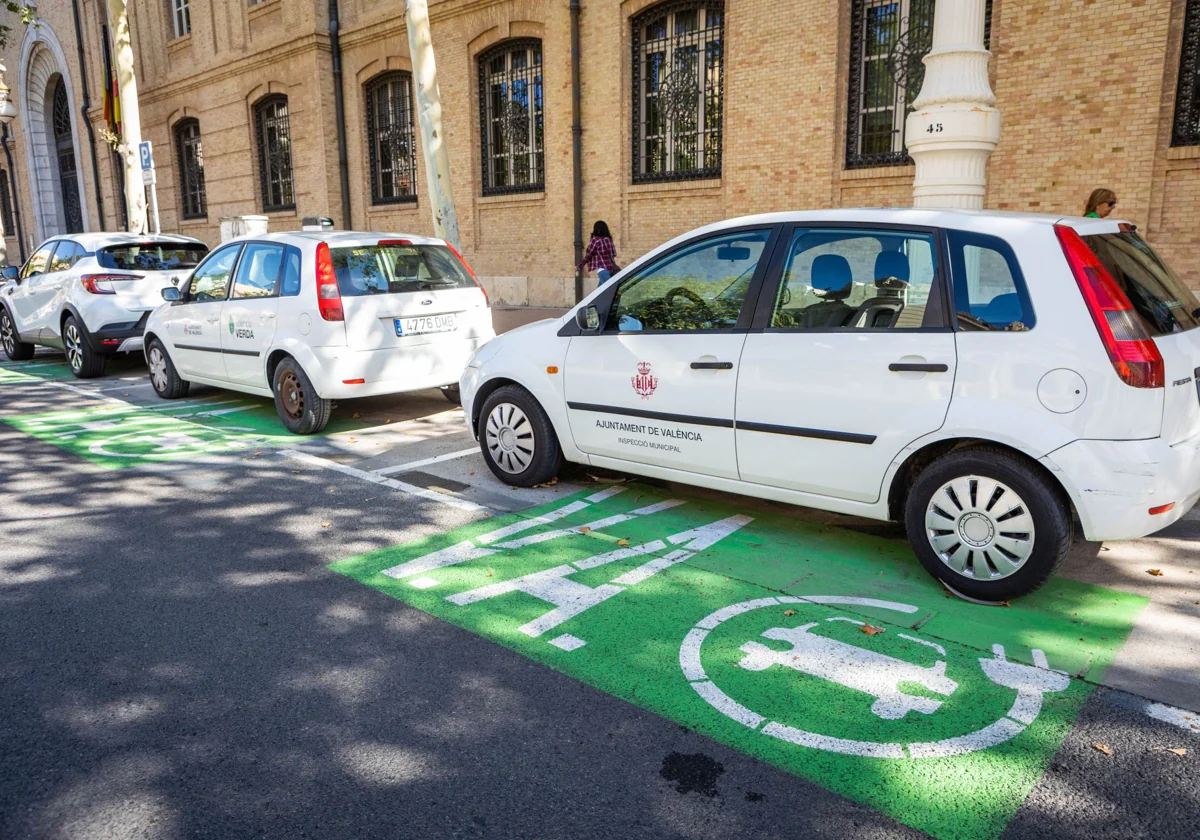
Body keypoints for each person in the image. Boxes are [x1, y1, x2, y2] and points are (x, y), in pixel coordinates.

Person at [577, 221, 619, 288]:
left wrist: (580, 266)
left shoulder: (595, 240)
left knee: (610, 290)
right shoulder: (608, 240)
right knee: (599, 293)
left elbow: (588, 255)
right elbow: (613, 254)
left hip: (602, 270)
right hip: (611, 269)